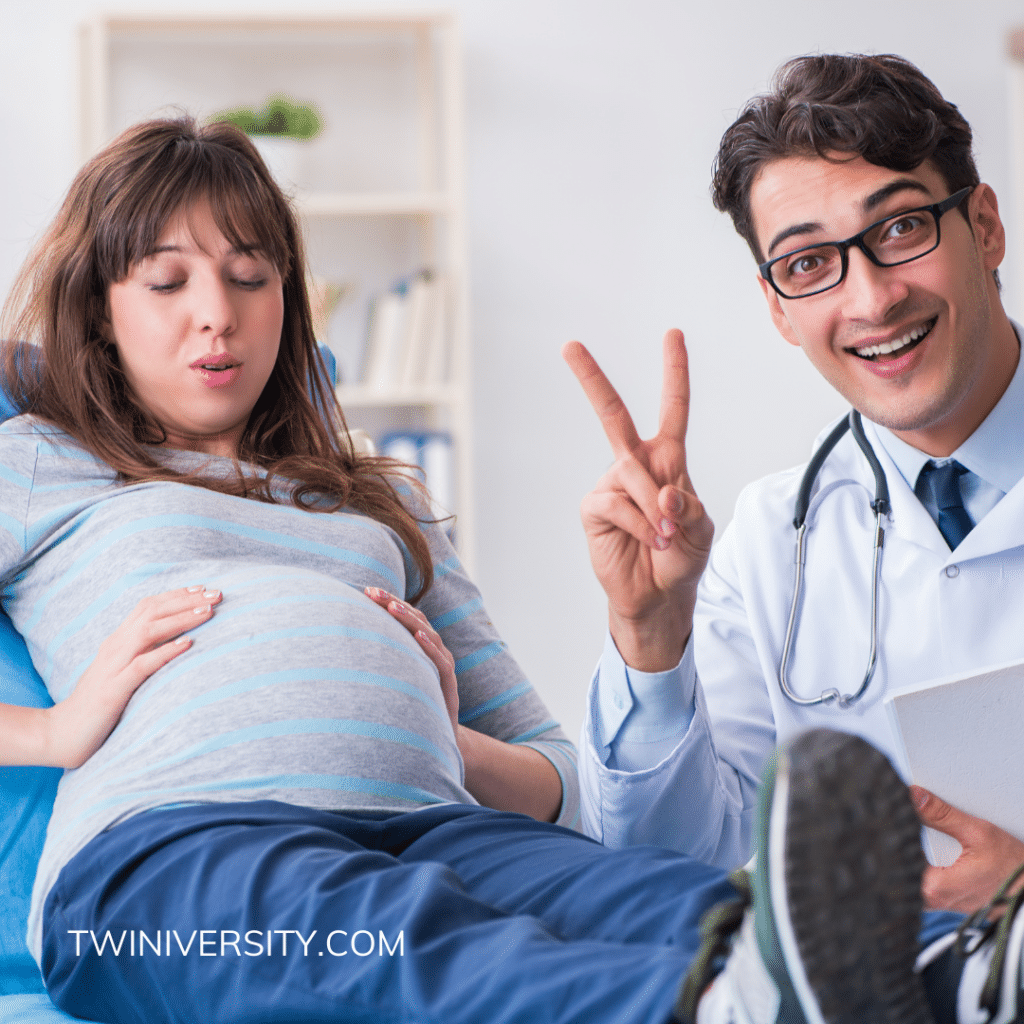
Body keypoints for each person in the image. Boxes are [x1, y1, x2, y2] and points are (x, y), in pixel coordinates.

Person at [0, 114, 945, 1024]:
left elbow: (563, 780)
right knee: (403, 943)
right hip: (167, 869)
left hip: (444, 833)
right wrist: (55, 731)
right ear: (100, 312)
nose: (218, 315)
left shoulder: (380, 503)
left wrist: (446, 737)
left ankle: (960, 968)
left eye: (251, 276)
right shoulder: (42, 460)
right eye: (167, 283)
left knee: (671, 902)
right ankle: (719, 1007)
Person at [566, 52, 1024, 1022]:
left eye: (900, 228)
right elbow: (670, 867)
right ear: (778, 307)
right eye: (809, 263)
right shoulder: (772, 538)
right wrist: (651, 635)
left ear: (982, 226)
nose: (868, 300)